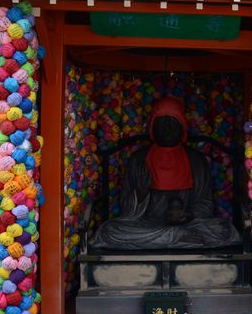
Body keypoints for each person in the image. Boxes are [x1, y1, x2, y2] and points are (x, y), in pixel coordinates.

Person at [89, 97, 241, 250]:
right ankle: (176, 237)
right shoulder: (139, 160)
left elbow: (206, 204)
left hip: (187, 226)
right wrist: (140, 195)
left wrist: (188, 215)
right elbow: (126, 211)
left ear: (182, 127)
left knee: (225, 230)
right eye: (162, 122)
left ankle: (174, 236)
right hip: (147, 227)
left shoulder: (196, 160)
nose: (167, 128)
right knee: (109, 231)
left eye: (173, 122)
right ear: (152, 127)